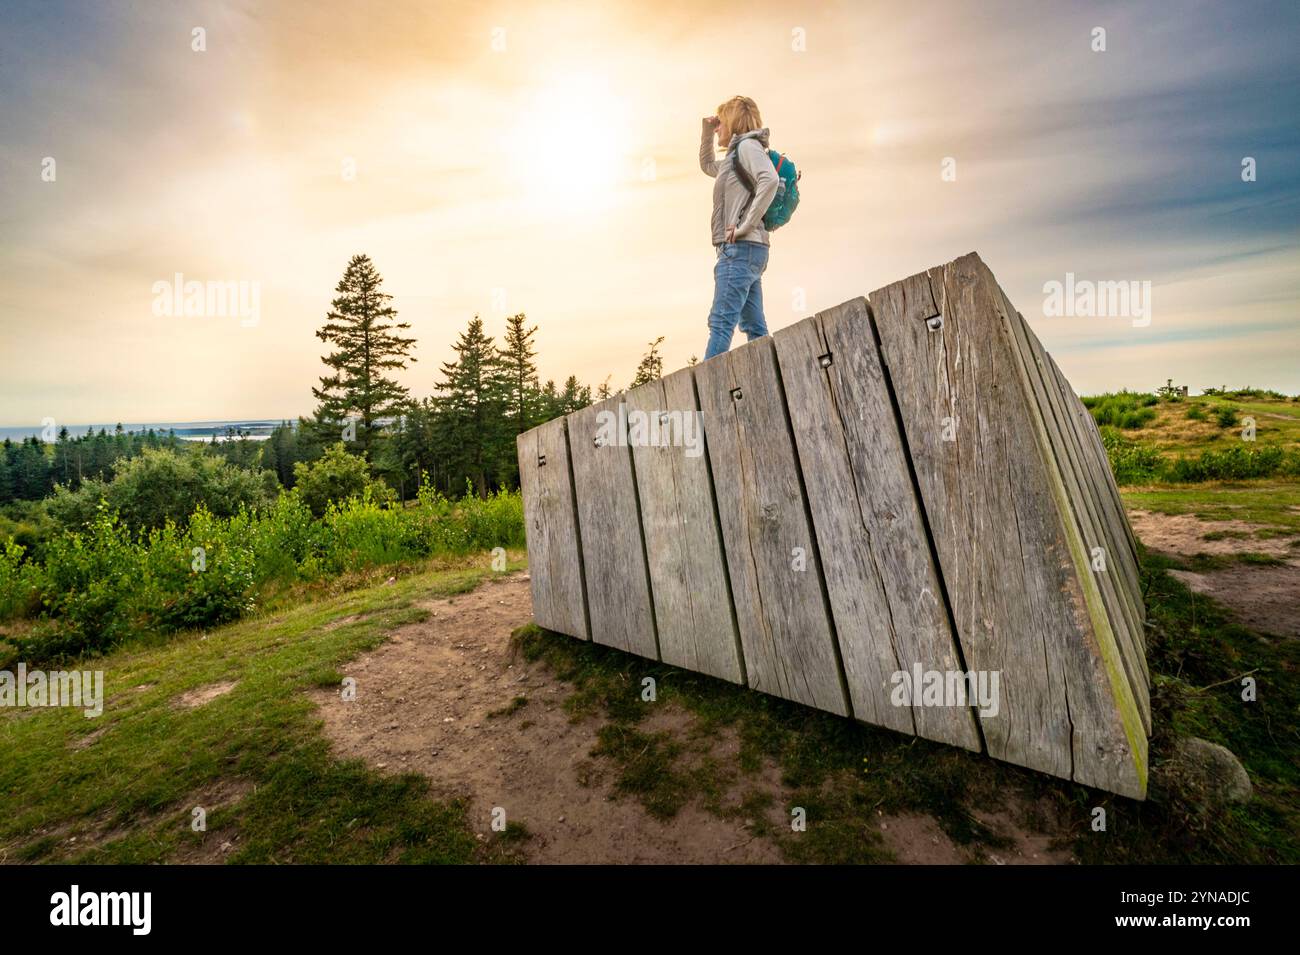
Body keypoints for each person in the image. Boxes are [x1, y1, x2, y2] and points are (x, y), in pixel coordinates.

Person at [699, 95, 780, 360]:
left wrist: (745, 226)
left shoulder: (747, 147)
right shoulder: (737, 154)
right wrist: (706, 132)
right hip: (748, 251)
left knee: (721, 324)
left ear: (732, 121)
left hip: (740, 249)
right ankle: (769, 383)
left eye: (720, 122)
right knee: (755, 328)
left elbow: (769, 179)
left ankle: (706, 398)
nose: (718, 127)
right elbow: (708, 166)